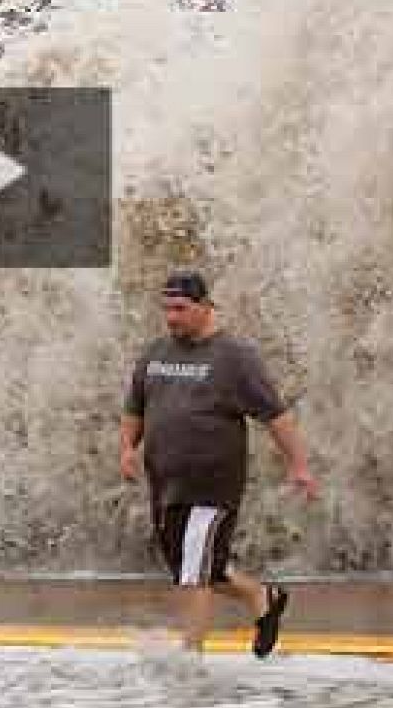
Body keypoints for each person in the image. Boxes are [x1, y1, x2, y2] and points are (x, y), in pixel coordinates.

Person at [120, 271, 319, 655]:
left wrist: (299, 466)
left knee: (194, 572)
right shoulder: (155, 354)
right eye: (167, 310)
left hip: (213, 485)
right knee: (194, 567)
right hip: (166, 482)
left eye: (180, 309)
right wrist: (127, 448)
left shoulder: (235, 357)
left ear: (204, 306)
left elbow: (275, 416)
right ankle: (263, 596)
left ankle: (189, 660)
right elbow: (135, 407)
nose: (172, 318)